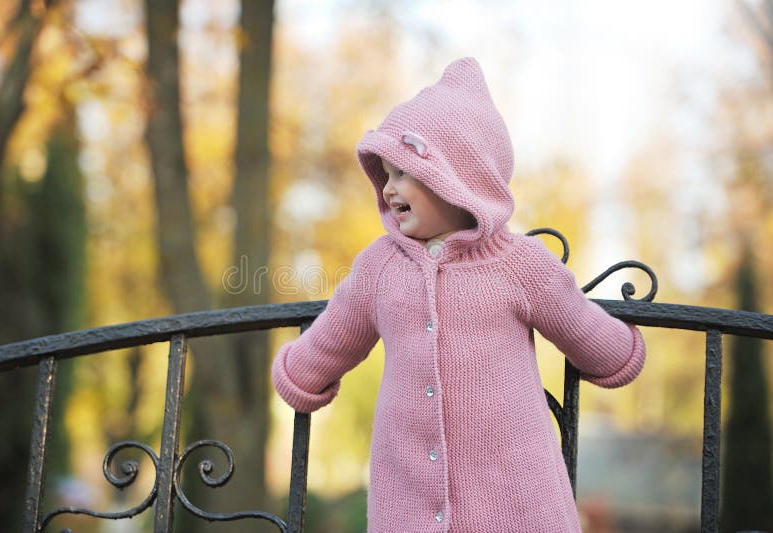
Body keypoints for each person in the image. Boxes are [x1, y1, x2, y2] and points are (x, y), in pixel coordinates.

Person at [271, 57, 646, 533]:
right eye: (384, 175)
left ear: (461, 178)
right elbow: (331, 340)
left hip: (515, 502)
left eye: (403, 172)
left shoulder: (519, 263)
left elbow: (587, 333)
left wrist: (619, 350)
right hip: (406, 506)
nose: (388, 189)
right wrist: (299, 374)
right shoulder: (379, 266)